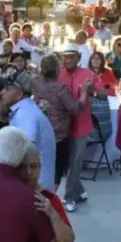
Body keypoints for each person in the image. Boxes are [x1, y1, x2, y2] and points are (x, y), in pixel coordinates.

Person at [58, 44, 104, 211]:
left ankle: (69, 196)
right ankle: (80, 190)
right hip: (61, 126)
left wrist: (92, 91)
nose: (67, 60)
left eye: (71, 57)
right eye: (65, 57)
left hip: (81, 126)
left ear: (78, 58)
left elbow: (104, 94)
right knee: (66, 162)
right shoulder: (58, 74)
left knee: (76, 162)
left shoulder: (88, 74)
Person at [33, 54, 84, 195]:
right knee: (57, 168)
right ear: (57, 70)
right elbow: (76, 109)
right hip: (58, 134)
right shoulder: (61, 88)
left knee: (40, 166)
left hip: (39, 131)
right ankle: (48, 197)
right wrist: (84, 93)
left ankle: (77, 190)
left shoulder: (36, 82)